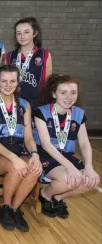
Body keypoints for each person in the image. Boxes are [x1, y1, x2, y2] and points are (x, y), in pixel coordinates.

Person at [0, 65, 42, 232]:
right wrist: (14, 159)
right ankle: (5, 207)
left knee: (35, 169)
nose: (8, 85)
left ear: (18, 83)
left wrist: (35, 154)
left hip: (19, 151)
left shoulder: (25, 105)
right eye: (4, 81)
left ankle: (15, 209)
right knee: (14, 168)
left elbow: (29, 138)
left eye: (12, 81)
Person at [33, 74, 99, 219]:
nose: (68, 97)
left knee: (91, 180)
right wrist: (70, 167)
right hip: (46, 155)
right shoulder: (41, 112)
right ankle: (45, 195)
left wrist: (89, 166)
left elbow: (84, 143)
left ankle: (58, 198)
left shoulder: (79, 114)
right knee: (68, 178)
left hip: (66, 155)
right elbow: (46, 145)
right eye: (63, 92)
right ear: (54, 93)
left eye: (73, 92)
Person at [6, 17, 52, 110]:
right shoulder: (10, 56)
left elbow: (48, 83)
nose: (22, 36)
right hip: (14, 103)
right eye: (18, 33)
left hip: (37, 104)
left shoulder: (44, 54)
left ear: (34, 33)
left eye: (26, 32)